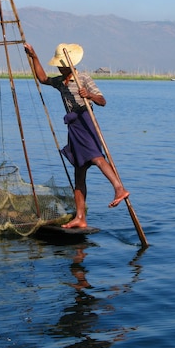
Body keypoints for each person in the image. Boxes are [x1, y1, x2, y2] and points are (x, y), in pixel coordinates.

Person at [23, 42, 129, 229]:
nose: (58, 67)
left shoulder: (83, 78)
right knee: (79, 172)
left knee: (96, 157)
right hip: (73, 126)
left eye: (60, 64)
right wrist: (34, 56)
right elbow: (42, 78)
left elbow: (102, 101)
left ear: (68, 64)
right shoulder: (61, 81)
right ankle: (80, 217)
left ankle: (119, 188)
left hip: (86, 121)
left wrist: (88, 95)